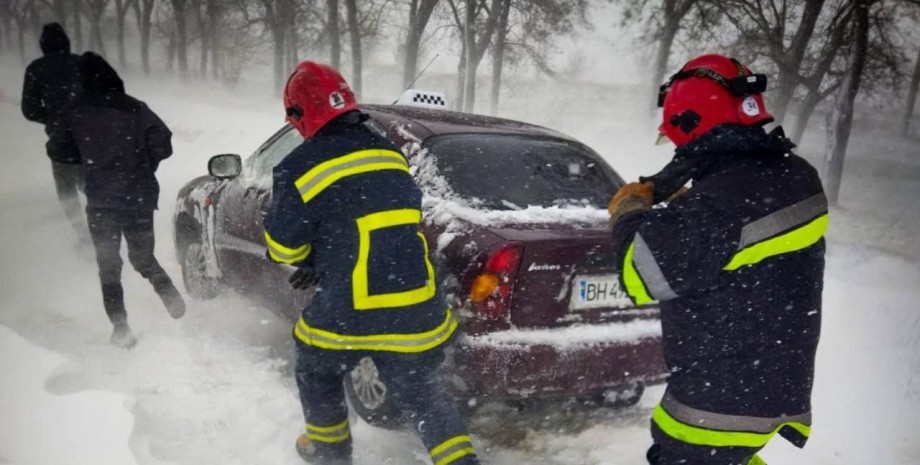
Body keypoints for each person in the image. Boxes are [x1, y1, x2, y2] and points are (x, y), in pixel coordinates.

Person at [608, 54, 826, 465]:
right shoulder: (793, 176)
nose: (679, 149)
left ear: (693, 124)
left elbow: (639, 273)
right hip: (766, 388)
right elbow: (736, 239)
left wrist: (629, 209)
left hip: (715, 409)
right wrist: (682, 192)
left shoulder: (726, 202)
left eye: (680, 142)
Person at [263, 61, 479, 465]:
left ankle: (330, 452)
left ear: (299, 114)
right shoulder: (389, 152)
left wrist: (312, 255)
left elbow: (284, 250)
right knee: (424, 395)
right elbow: (376, 222)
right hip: (416, 306)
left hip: (351, 310)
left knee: (316, 367)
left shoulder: (297, 167)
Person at [48, 53, 186, 348]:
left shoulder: (75, 111)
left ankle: (121, 327)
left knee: (108, 264)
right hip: (138, 196)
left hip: (101, 200)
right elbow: (163, 140)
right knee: (142, 257)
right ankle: (166, 289)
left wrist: (85, 159)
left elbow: (57, 151)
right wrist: (142, 164)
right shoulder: (135, 107)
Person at [21, 22, 88, 244]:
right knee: (91, 184)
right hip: (88, 137)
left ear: (43, 46)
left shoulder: (36, 69)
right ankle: (104, 227)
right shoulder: (82, 64)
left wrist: (51, 118)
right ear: (66, 43)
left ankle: (81, 233)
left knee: (67, 190)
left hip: (61, 141)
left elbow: (29, 110)